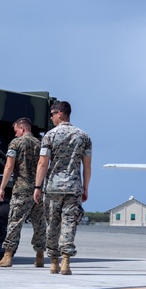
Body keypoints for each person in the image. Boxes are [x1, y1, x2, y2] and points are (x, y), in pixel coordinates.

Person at [33, 101, 92, 275]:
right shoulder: (84, 136)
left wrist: (37, 186)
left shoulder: (50, 136)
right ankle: (65, 260)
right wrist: (85, 187)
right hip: (73, 187)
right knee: (69, 223)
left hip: (53, 187)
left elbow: (43, 162)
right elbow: (87, 166)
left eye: (52, 114)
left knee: (52, 223)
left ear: (60, 113)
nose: (50, 118)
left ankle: (53, 261)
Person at [0, 117, 46, 268]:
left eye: (16, 130)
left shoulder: (15, 143)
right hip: (38, 189)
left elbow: (9, 166)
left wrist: (2, 187)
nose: (15, 134)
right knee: (40, 223)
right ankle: (39, 256)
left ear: (22, 129)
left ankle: (7, 255)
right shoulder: (40, 144)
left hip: (22, 189)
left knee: (14, 222)